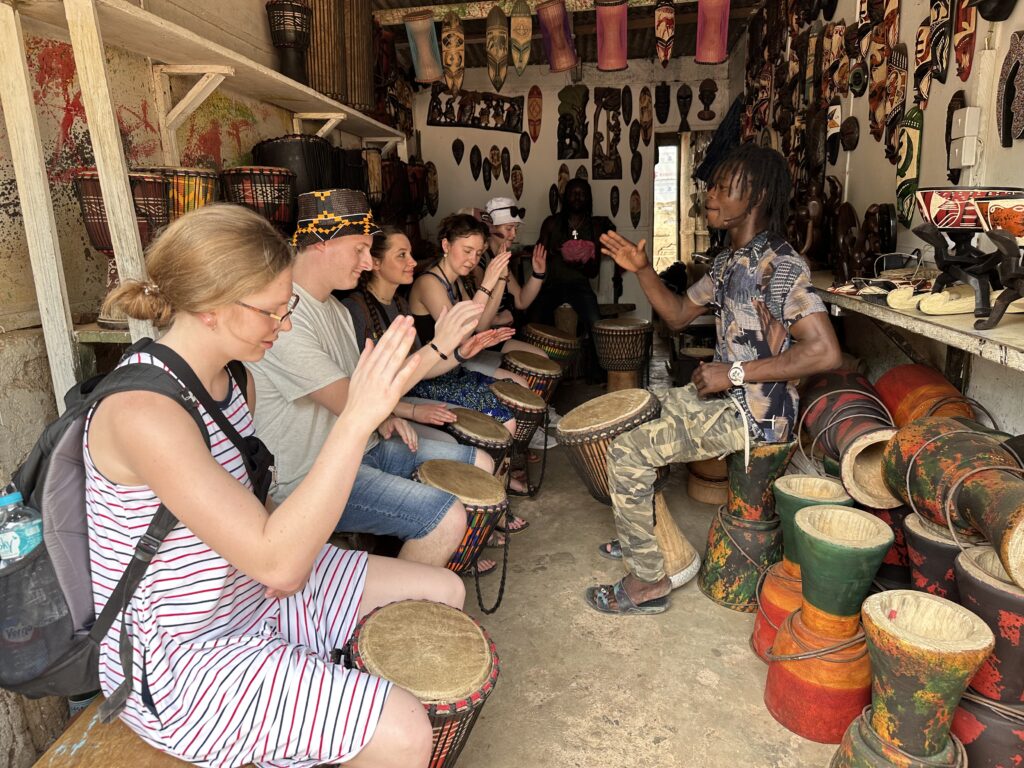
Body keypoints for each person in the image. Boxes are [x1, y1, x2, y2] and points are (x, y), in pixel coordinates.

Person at [85, 202, 462, 767]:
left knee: (445, 595)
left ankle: (320, 704)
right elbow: (279, 562)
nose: (283, 326)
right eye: (271, 312)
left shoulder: (231, 379)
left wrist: (287, 566)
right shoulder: (143, 411)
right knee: (405, 731)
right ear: (212, 307)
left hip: (249, 591)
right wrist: (358, 416)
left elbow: (259, 516)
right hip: (182, 656)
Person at [586, 144, 843, 615]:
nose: (711, 196)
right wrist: (643, 271)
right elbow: (680, 315)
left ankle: (648, 584)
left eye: (726, 188)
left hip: (757, 416)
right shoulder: (729, 260)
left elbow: (824, 351)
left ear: (759, 194)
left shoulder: (782, 266)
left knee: (628, 452)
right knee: (629, 418)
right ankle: (643, 536)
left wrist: (736, 372)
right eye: (712, 186)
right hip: (724, 398)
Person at [249, 190, 492, 569]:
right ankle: (399, 610)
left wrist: (391, 411)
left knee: (479, 463)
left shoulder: (335, 309)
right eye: (360, 249)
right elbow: (355, 403)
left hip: (362, 450)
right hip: (311, 478)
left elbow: (367, 394)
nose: (367, 263)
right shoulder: (285, 316)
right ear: (322, 244)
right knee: (446, 518)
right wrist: (438, 348)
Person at [342, 228, 537, 523]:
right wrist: (410, 410)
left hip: (422, 384)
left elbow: (425, 363)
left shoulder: (399, 303)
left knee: (506, 405)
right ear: (376, 263)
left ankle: (495, 500)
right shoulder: (356, 310)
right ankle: (489, 513)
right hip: (404, 399)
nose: (412, 262)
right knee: (499, 417)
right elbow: (359, 387)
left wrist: (461, 353)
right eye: (402, 255)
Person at [409, 213, 548, 381]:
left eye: (479, 253)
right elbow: (460, 338)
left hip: (457, 360)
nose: (473, 259)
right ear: (446, 245)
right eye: (467, 251)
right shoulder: (428, 283)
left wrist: (501, 279)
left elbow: (481, 326)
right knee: (516, 381)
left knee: (529, 371)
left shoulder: (457, 281)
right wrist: (488, 283)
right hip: (436, 371)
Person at [534, 178, 616, 382]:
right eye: (573, 193)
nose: (577, 197)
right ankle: (537, 370)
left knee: (595, 321)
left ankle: (599, 373)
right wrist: (554, 253)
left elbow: (593, 272)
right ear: (565, 197)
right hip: (552, 285)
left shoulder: (594, 227)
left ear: (589, 198)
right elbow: (538, 256)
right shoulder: (551, 223)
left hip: (579, 285)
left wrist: (581, 262)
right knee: (534, 319)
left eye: (582, 193)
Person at [476, 197, 547, 329]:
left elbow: (520, 301)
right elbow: (479, 309)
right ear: (492, 229)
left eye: (516, 228)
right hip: (486, 333)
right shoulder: (479, 259)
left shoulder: (499, 257)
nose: (514, 234)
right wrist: (497, 319)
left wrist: (538, 274)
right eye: (509, 228)